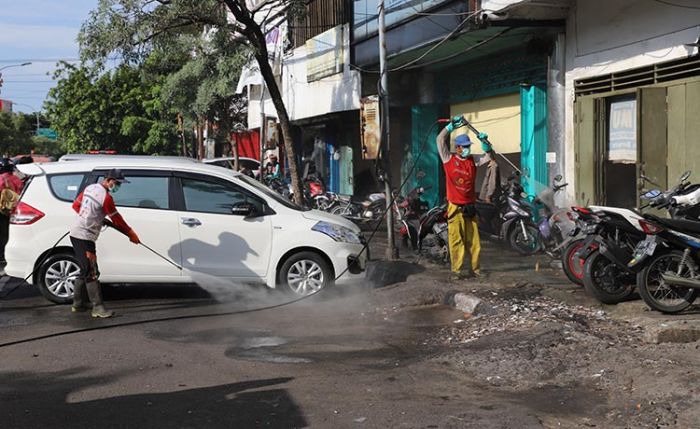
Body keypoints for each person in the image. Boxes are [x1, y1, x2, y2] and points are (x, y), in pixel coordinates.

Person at [70, 169, 140, 318]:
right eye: (117, 183)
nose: (118, 187)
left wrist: (94, 218)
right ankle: (98, 308)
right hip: (84, 236)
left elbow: (76, 206)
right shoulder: (106, 198)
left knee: (85, 269)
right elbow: (117, 220)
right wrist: (131, 233)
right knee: (91, 272)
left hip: (76, 233)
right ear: (108, 180)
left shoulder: (90, 188)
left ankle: (79, 304)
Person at [435, 116, 492, 279]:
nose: (467, 149)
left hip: (470, 206)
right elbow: (439, 140)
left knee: (474, 242)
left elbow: (488, 157)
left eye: (468, 146)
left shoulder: (472, 160)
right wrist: (450, 127)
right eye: (464, 147)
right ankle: (457, 271)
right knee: (456, 241)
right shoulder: (448, 159)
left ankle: (475, 269)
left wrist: (486, 144)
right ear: (458, 148)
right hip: (454, 206)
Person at [0, 159, 24, 265]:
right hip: (15, 211)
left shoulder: (0, 179)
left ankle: (2, 256)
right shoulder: (17, 179)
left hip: (1, 211)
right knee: (9, 234)